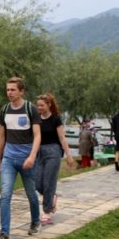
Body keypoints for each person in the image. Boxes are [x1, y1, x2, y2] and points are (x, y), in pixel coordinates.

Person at [0, 77, 42, 239]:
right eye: (7, 89)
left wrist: (32, 156)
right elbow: (2, 137)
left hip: (27, 159)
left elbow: (37, 136)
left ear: (21, 91)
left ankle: (35, 221)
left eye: (13, 89)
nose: (9, 93)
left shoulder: (30, 109)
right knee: (5, 195)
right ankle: (4, 233)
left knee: (31, 193)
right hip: (9, 158)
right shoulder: (4, 110)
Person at [34, 93, 75, 223]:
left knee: (48, 182)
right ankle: (51, 197)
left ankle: (46, 211)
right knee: (36, 183)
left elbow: (62, 138)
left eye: (42, 105)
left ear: (49, 105)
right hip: (39, 152)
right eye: (38, 105)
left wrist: (69, 155)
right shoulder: (36, 119)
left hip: (53, 151)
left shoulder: (55, 119)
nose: (39, 107)